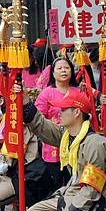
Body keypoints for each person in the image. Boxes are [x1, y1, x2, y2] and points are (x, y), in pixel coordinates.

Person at [35, 57, 79, 189]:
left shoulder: (78, 92)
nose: (63, 71)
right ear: (53, 73)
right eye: (59, 68)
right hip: (54, 145)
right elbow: (39, 118)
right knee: (56, 185)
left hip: (75, 143)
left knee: (75, 183)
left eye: (66, 67)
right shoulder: (46, 94)